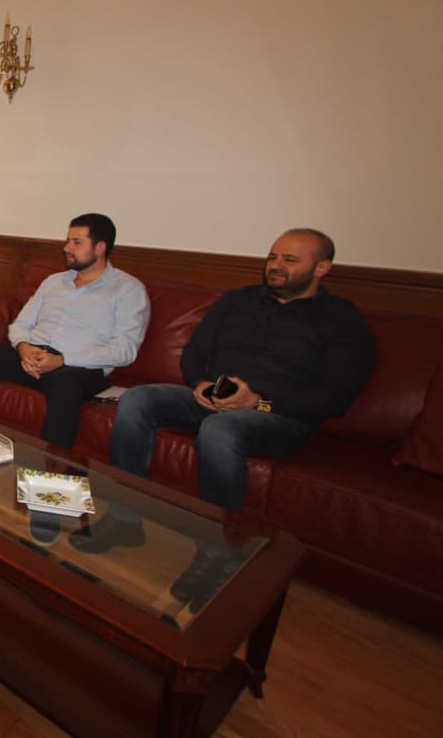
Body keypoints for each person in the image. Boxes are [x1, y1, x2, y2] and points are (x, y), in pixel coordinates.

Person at [72, 228, 375, 612]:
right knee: (138, 399)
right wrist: (199, 383)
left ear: (322, 268)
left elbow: (336, 399)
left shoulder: (342, 320)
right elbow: (195, 353)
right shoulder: (239, 300)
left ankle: (219, 553)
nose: (276, 266)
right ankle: (125, 518)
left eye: (289, 260)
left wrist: (259, 401)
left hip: (278, 414)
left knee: (220, 429)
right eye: (273, 257)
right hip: (213, 399)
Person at [0, 213, 150, 449]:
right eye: (68, 240)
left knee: (66, 386)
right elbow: (21, 324)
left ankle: (51, 466)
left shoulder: (128, 290)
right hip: (31, 355)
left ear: (100, 247)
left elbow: (124, 351)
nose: (67, 248)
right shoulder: (54, 282)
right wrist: (23, 347)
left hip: (78, 368)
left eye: (76, 242)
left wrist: (63, 359)